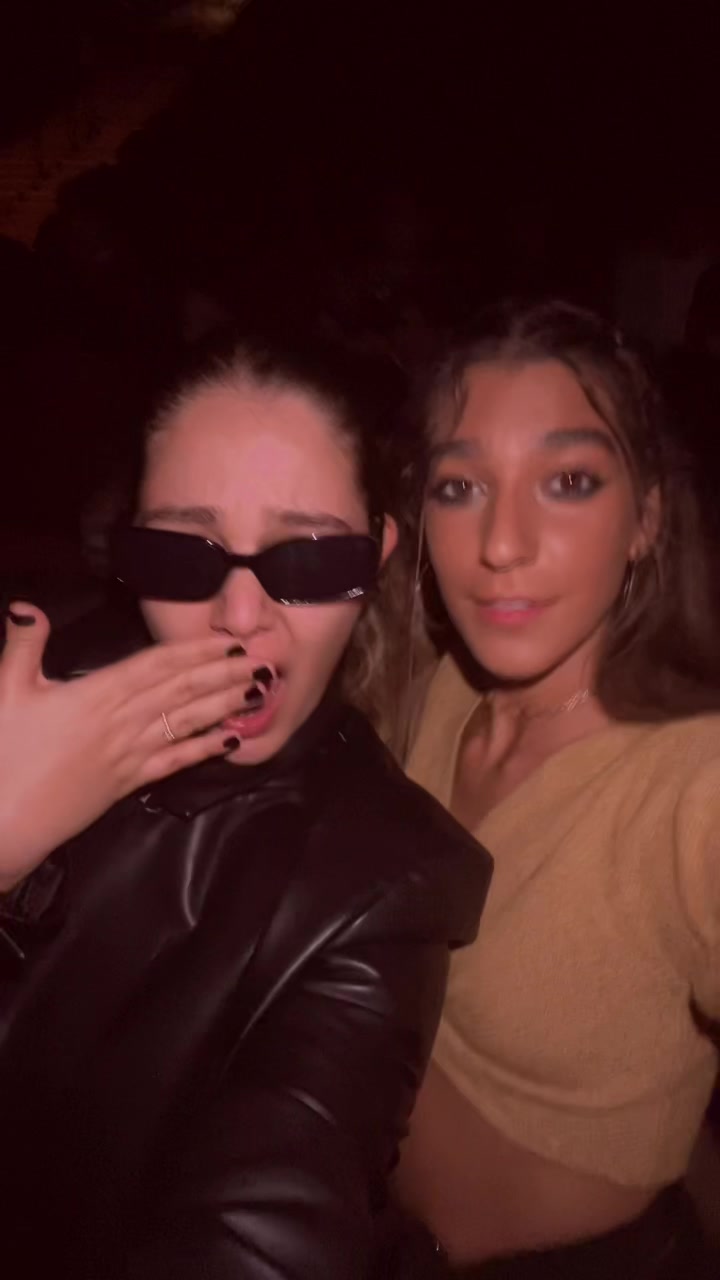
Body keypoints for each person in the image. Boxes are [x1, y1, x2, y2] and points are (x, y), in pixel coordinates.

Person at [0, 341, 492, 1278]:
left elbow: (267, 1229)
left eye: (310, 556)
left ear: (378, 557)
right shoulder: (20, 687)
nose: (239, 613)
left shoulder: (384, 883)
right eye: (180, 552)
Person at [394, 301, 720, 1277]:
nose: (501, 542)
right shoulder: (440, 693)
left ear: (647, 520)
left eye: (569, 481)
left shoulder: (693, 780)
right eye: (460, 486)